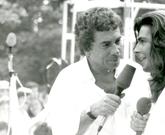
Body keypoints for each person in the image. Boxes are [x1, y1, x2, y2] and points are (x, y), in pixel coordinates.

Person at [43, 7, 150, 135]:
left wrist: (143, 126)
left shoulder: (137, 73)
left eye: (117, 41)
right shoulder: (67, 80)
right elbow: (60, 132)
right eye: (106, 44)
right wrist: (91, 113)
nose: (116, 50)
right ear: (86, 48)